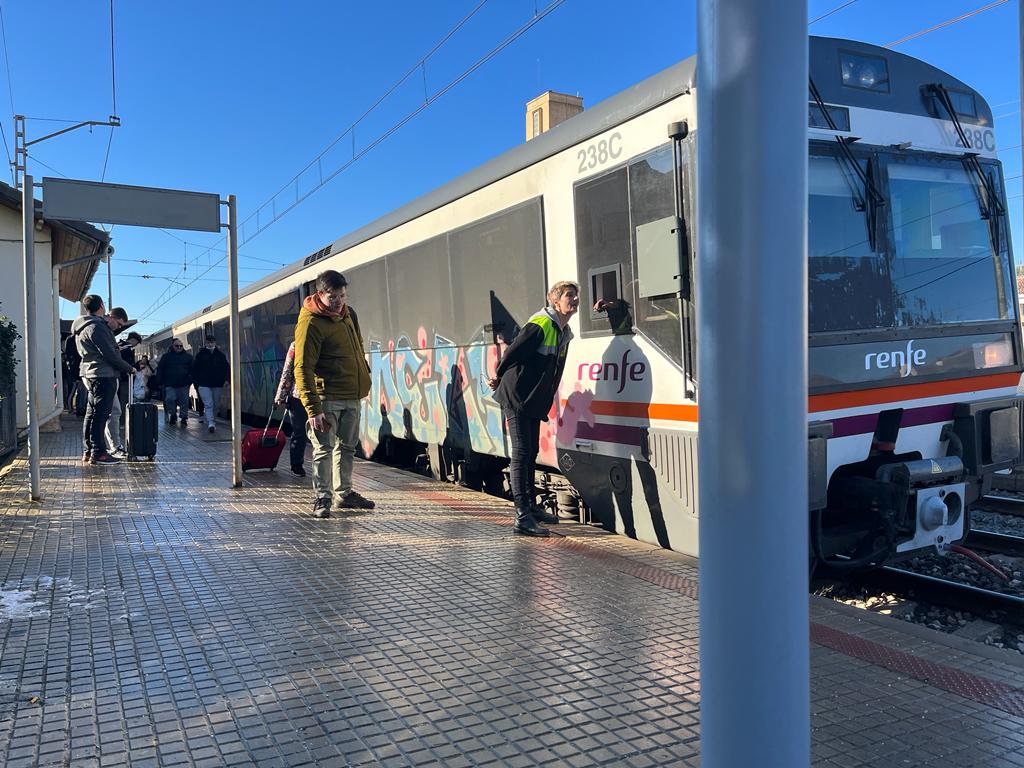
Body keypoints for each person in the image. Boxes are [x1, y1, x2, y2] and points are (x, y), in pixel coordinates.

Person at [488, 280, 579, 536]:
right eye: (569, 295)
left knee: (531, 452)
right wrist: (498, 375)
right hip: (517, 395)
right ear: (555, 300)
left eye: (576, 296)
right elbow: (513, 351)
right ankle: (522, 516)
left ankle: (531, 507)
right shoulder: (542, 324)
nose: (574, 300)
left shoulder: (563, 332)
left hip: (532, 399)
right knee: (522, 452)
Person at [294, 270, 374, 518]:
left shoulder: (349, 314)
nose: (339, 301)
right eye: (333, 297)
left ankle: (345, 493)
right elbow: (303, 368)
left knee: (348, 447)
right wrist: (314, 409)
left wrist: (364, 375)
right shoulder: (311, 322)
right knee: (323, 450)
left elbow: (358, 346)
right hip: (327, 399)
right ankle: (322, 498)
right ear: (320, 294)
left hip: (352, 395)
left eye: (342, 295)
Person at [72, 296, 136, 465]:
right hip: (102, 375)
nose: (119, 327)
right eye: (120, 324)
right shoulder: (96, 326)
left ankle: (88, 451)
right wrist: (129, 367)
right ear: (102, 306)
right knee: (101, 415)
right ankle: (99, 452)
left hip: (91, 373)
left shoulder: (83, 325)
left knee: (91, 414)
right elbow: (109, 354)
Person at [274, 340, 309, 477]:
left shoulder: (296, 344)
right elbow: (288, 371)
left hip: (299, 396)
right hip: (307, 395)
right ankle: (297, 465)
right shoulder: (297, 345)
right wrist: (281, 395)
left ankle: (297, 466)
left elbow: (287, 371)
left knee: (300, 432)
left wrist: (280, 396)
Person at [106, 328, 141, 456]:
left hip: (116, 377)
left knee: (113, 409)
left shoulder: (120, 345)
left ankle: (112, 444)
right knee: (117, 408)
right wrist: (133, 367)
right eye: (136, 343)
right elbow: (123, 362)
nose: (135, 346)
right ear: (133, 340)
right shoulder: (125, 347)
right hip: (119, 378)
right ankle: (114, 444)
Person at [193, 335, 230, 433]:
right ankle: (211, 423)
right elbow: (195, 369)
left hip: (217, 383)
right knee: (209, 403)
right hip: (204, 383)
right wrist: (197, 382)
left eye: (212, 342)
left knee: (216, 404)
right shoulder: (200, 354)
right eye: (208, 342)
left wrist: (226, 379)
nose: (210, 344)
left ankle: (211, 419)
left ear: (215, 342)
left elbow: (226, 368)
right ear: (206, 343)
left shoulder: (220, 355)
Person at [156, 338, 193, 425]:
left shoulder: (188, 357)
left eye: (181, 346)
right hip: (170, 383)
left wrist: (190, 380)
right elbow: (160, 369)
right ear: (173, 346)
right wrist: (159, 381)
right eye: (177, 346)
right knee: (169, 399)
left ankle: (184, 417)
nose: (179, 347)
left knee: (184, 401)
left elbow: (193, 369)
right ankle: (173, 414)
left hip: (183, 383)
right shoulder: (166, 357)